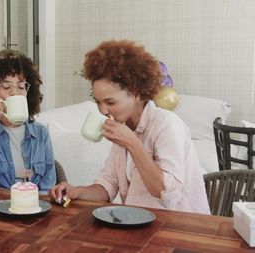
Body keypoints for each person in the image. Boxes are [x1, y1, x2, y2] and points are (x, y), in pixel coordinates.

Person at [50, 40, 210, 214]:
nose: (102, 110)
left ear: (135, 93)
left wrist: (132, 144)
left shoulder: (166, 124)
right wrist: (76, 191)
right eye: (98, 102)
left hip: (181, 230)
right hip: (141, 224)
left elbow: (168, 194)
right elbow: (107, 187)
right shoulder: (123, 126)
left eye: (110, 102)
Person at [0, 50, 56, 191]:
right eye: (6, 86)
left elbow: (48, 186)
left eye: (21, 86)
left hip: (32, 206)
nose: (14, 92)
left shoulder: (40, 132)